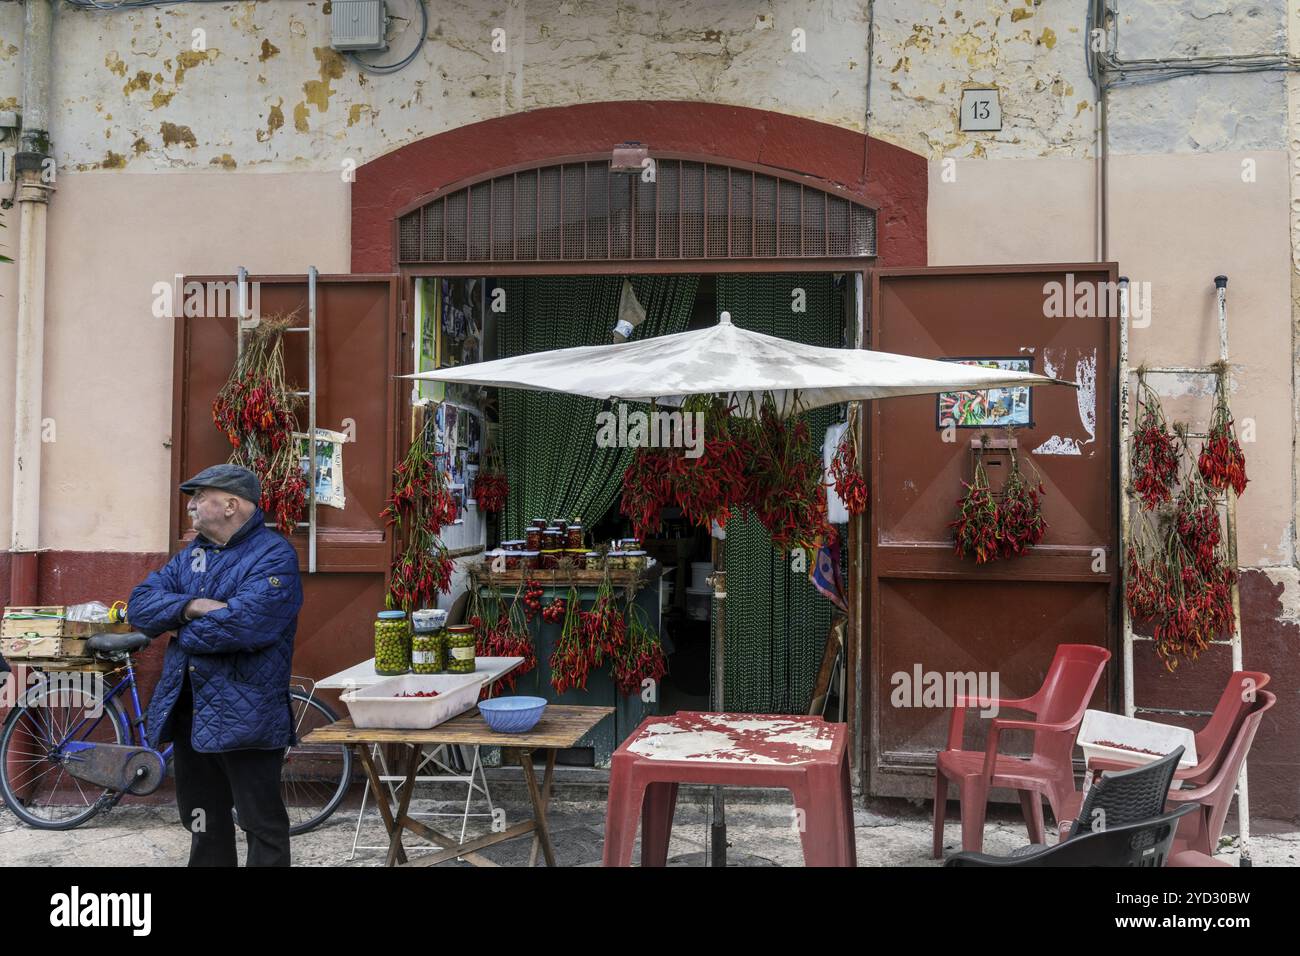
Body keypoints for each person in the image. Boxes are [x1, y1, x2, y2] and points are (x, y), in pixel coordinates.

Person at [128, 464, 303, 867]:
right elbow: (140, 605)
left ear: (230, 505)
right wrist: (191, 606)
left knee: (262, 823)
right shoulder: (192, 556)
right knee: (202, 819)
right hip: (191, 712)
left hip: (248, 714)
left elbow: (246, 626)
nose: (190, 507)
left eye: (199, 497)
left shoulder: (273, 555)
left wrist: (178, 630)